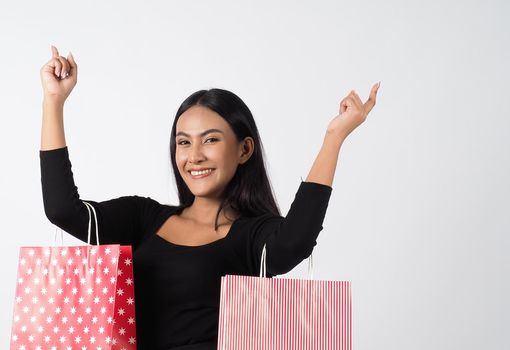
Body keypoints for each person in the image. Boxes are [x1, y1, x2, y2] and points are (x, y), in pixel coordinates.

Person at [39, 45, 380, 350]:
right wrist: (54, 102)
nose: (195, 155)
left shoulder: (253, 236)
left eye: (211, 140)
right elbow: (62, 210)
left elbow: (296, 243)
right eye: (184, 142)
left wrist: (334, 137)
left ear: (245, 149)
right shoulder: (143, 218)